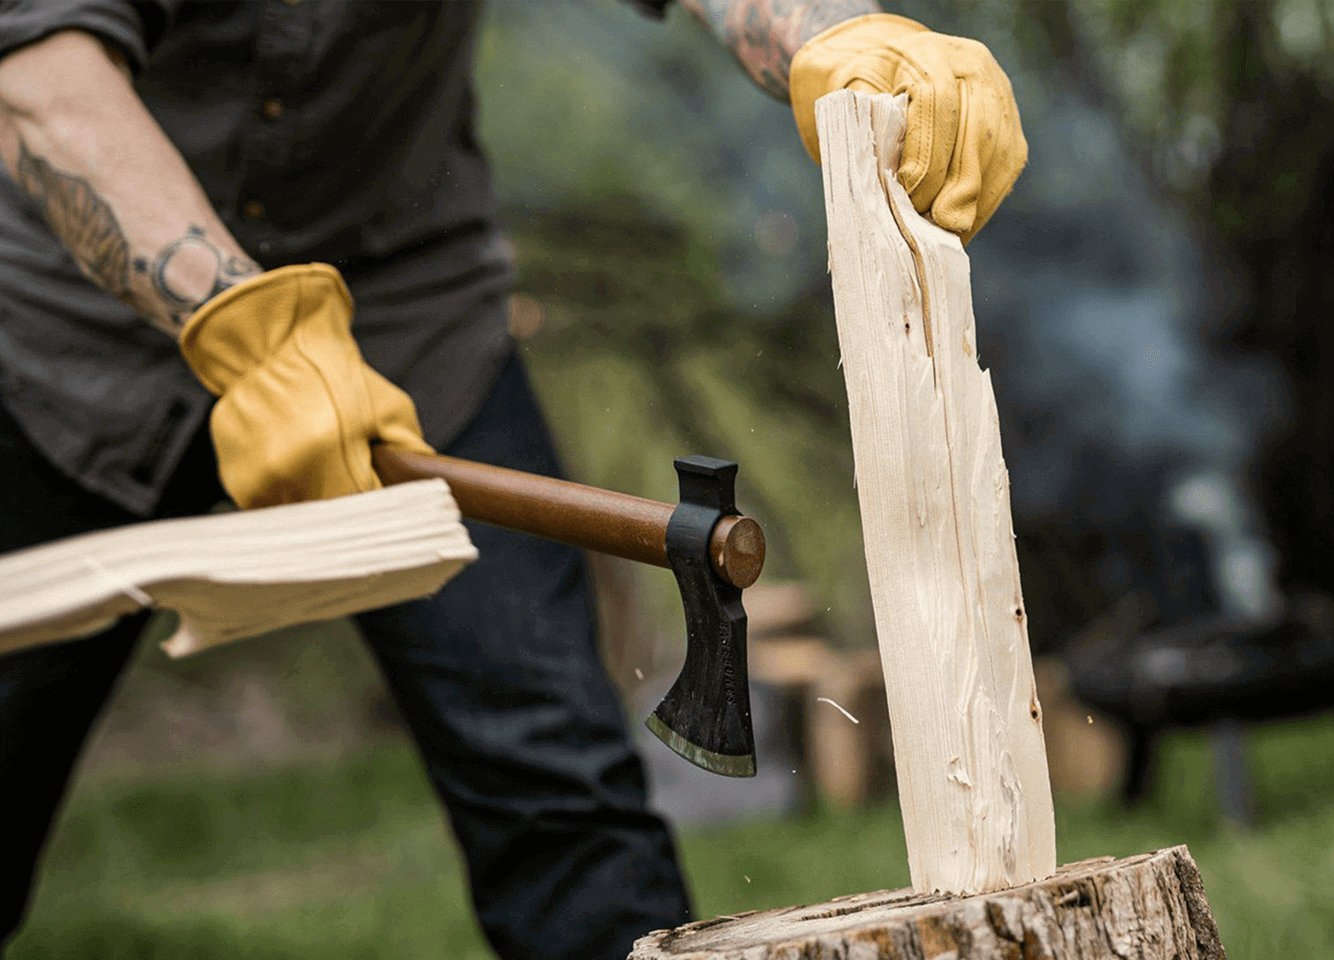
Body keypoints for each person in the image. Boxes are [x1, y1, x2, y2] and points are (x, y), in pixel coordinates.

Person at [0, 1, 1025, 957]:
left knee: (560, 792)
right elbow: (40, 75)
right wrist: (251, 334)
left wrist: (838, 35)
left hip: (409, 321)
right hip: (55, 349)